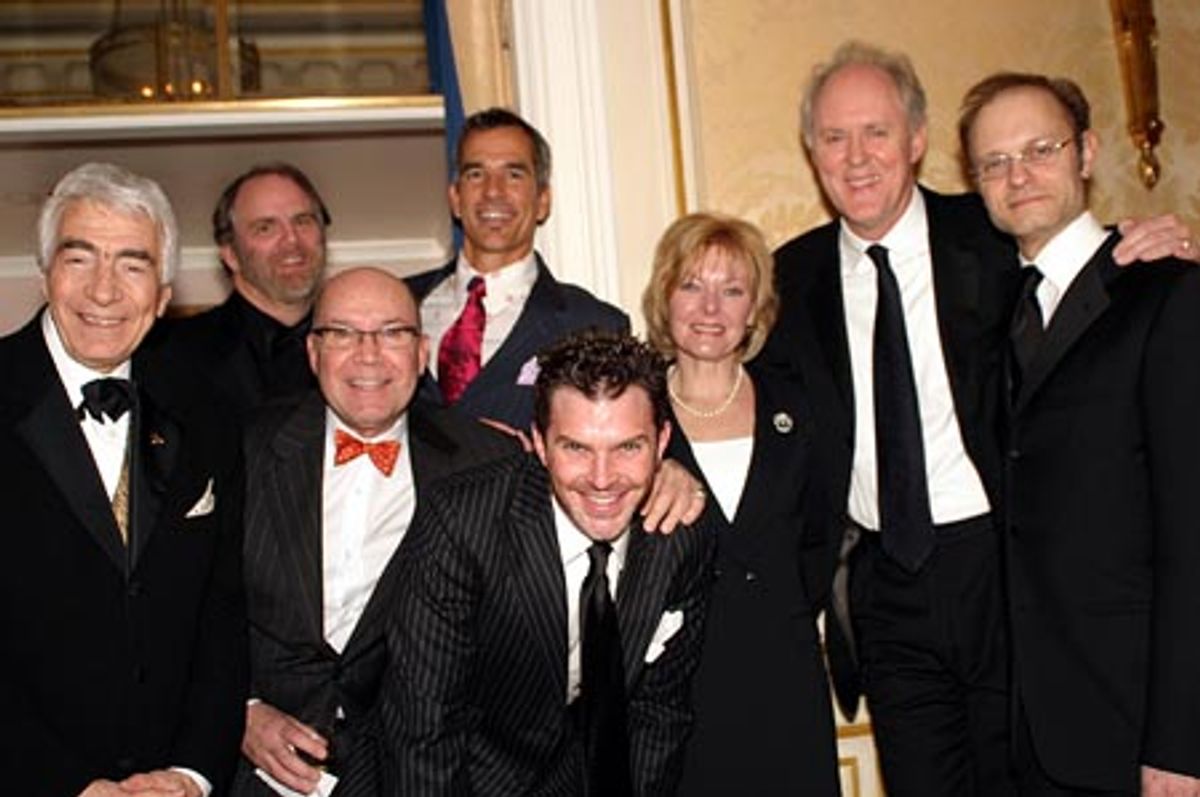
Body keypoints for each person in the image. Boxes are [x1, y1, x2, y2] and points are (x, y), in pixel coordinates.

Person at [760, 41, 1198, 797]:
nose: (856, 157)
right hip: (884, 591)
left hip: (1005, 573)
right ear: (811, 152)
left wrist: (1156, 236)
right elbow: (725, 378)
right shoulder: (787, 279)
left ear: (919, 142)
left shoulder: (992, 234)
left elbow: (1078, 272)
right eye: (834, 138)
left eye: (878, 132)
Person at [959, 72, 1200, 797]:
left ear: (1087, 152)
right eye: (994, 162)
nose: (1018, 175)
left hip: (1139, 727)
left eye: (1039, 148)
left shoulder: (1169, 295)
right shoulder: (995, 315)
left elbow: (1193, 535)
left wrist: (1182, 743)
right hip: (1030, 730)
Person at [0, 162, 246, 797]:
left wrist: (191, 774)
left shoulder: (208, 412)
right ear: (47, 272)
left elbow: (219, 618)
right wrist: (65, 784)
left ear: (163, 296)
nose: (103, 291)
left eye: (133, 265)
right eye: (80, 259)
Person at [382, 329, 714, 796]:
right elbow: (424, 729)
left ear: (662, 442)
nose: (602, 480)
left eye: (628, 447)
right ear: (539, 443)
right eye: (576, 447)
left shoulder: (679, 536)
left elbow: (658, 715)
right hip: (468, 778)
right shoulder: (464, 524)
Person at [234, 268, 516, 796]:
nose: (368, 354)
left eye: (392, 333)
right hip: (258, 775)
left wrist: (669, 472)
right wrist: (241, 712)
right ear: (313, 354)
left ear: (422, 352)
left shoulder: (490, 461)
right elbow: (192, 608)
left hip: (419, 773)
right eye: (342, 333)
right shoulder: (241, 450)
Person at [642, 212, 840, 795]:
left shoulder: (799, 406)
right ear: (665, 297)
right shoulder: (633, 414)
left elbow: (821, 539)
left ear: (754, 310)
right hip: (674, 693)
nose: (710, 308)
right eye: (692, 286)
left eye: (732, 291)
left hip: (784, 678)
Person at [406, 107, 630, 434]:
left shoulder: (594, 327)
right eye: (475, 174)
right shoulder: (392, 308)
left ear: (542, 200)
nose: (493, 191)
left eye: (513, 174)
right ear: (455, 198)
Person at [145, 162, 330, 417]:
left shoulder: (364, 348)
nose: (291, 240)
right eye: (265, 227)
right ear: (230, 254)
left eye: (303, 221)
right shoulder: (170, 355)